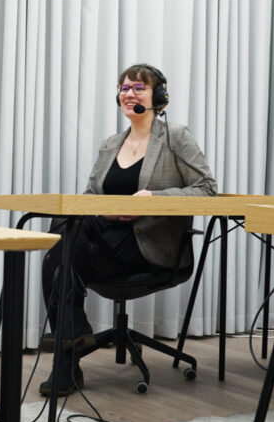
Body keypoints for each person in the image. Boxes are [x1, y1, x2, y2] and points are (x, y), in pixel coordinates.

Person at [39, 63, 217, 396]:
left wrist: (153, 200)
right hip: (105, 243)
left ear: (158, 96)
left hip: (147, 247)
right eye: (124, 88)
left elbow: (207, 189)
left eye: (139, 87)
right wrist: (104, 211)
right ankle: (70, 346)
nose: (129, 94)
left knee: (58, 250)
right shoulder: (111, 144)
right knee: (63, 235)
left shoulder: (175, 137)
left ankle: (68, 352)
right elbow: (89, 198)